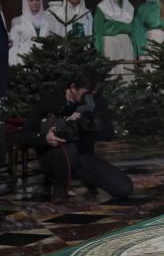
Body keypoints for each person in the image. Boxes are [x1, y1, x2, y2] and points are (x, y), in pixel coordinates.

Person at [19, 70, 133, 203]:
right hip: (54, 156)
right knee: (69, 150)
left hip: (84, 158)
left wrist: (90, 120)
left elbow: (108, 135)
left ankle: (87, 179)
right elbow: (24, 136)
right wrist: (46, 138)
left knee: (124, 188)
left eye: (92, 94)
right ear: (73, 88)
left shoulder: (96, 102)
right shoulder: (50, 100)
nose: (89, 97)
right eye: (85, 94)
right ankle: (59, 187)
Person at [93, 0, 136, 79]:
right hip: (109, 45)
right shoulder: (102, 8)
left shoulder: (129, 8)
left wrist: (136, 52)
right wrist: (99, 53)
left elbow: (133, 31)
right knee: (112, 75)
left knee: (127, 74)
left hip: (126, 44)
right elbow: (97, 32)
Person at [9, 0, 52, 66]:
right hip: (24, 61)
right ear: (26, 3)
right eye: (31, 0)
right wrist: (13, 66)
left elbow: (53, 40)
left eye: (37, 0)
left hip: (45, 61)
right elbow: (13, 46)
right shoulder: (17, 21)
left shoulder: (48, 20)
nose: (35, 3)